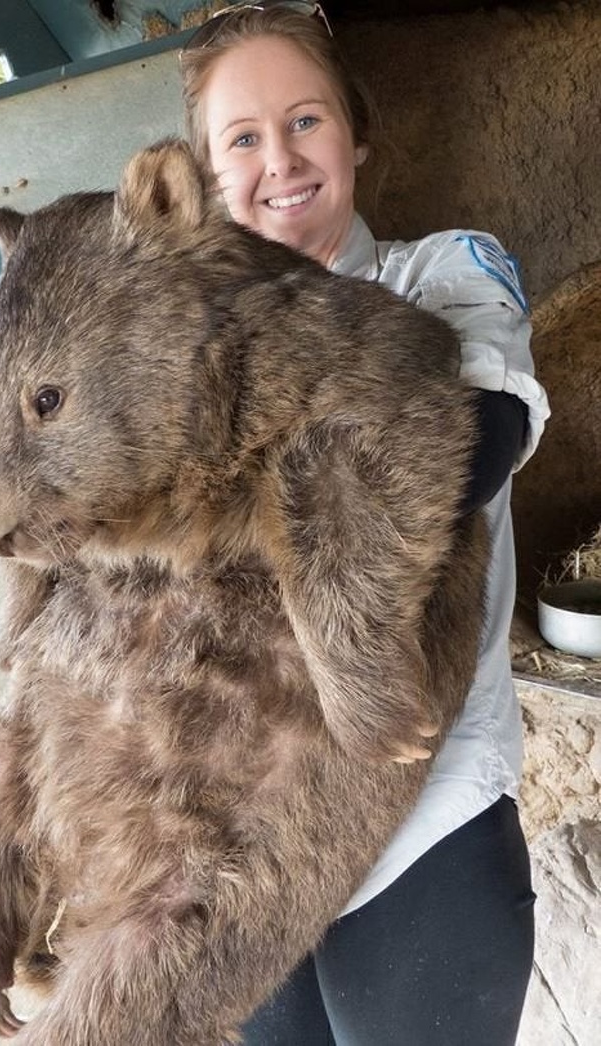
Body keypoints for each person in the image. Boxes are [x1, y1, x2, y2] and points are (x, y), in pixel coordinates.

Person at [178, 3, 550, 1044]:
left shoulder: (443, 273)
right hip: (243, 854)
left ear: (354, 134)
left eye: (305, 121)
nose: (279, 159)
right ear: (207, 176)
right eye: (241, 138)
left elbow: (472, 442)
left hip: (419, 829)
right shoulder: (186, 349)